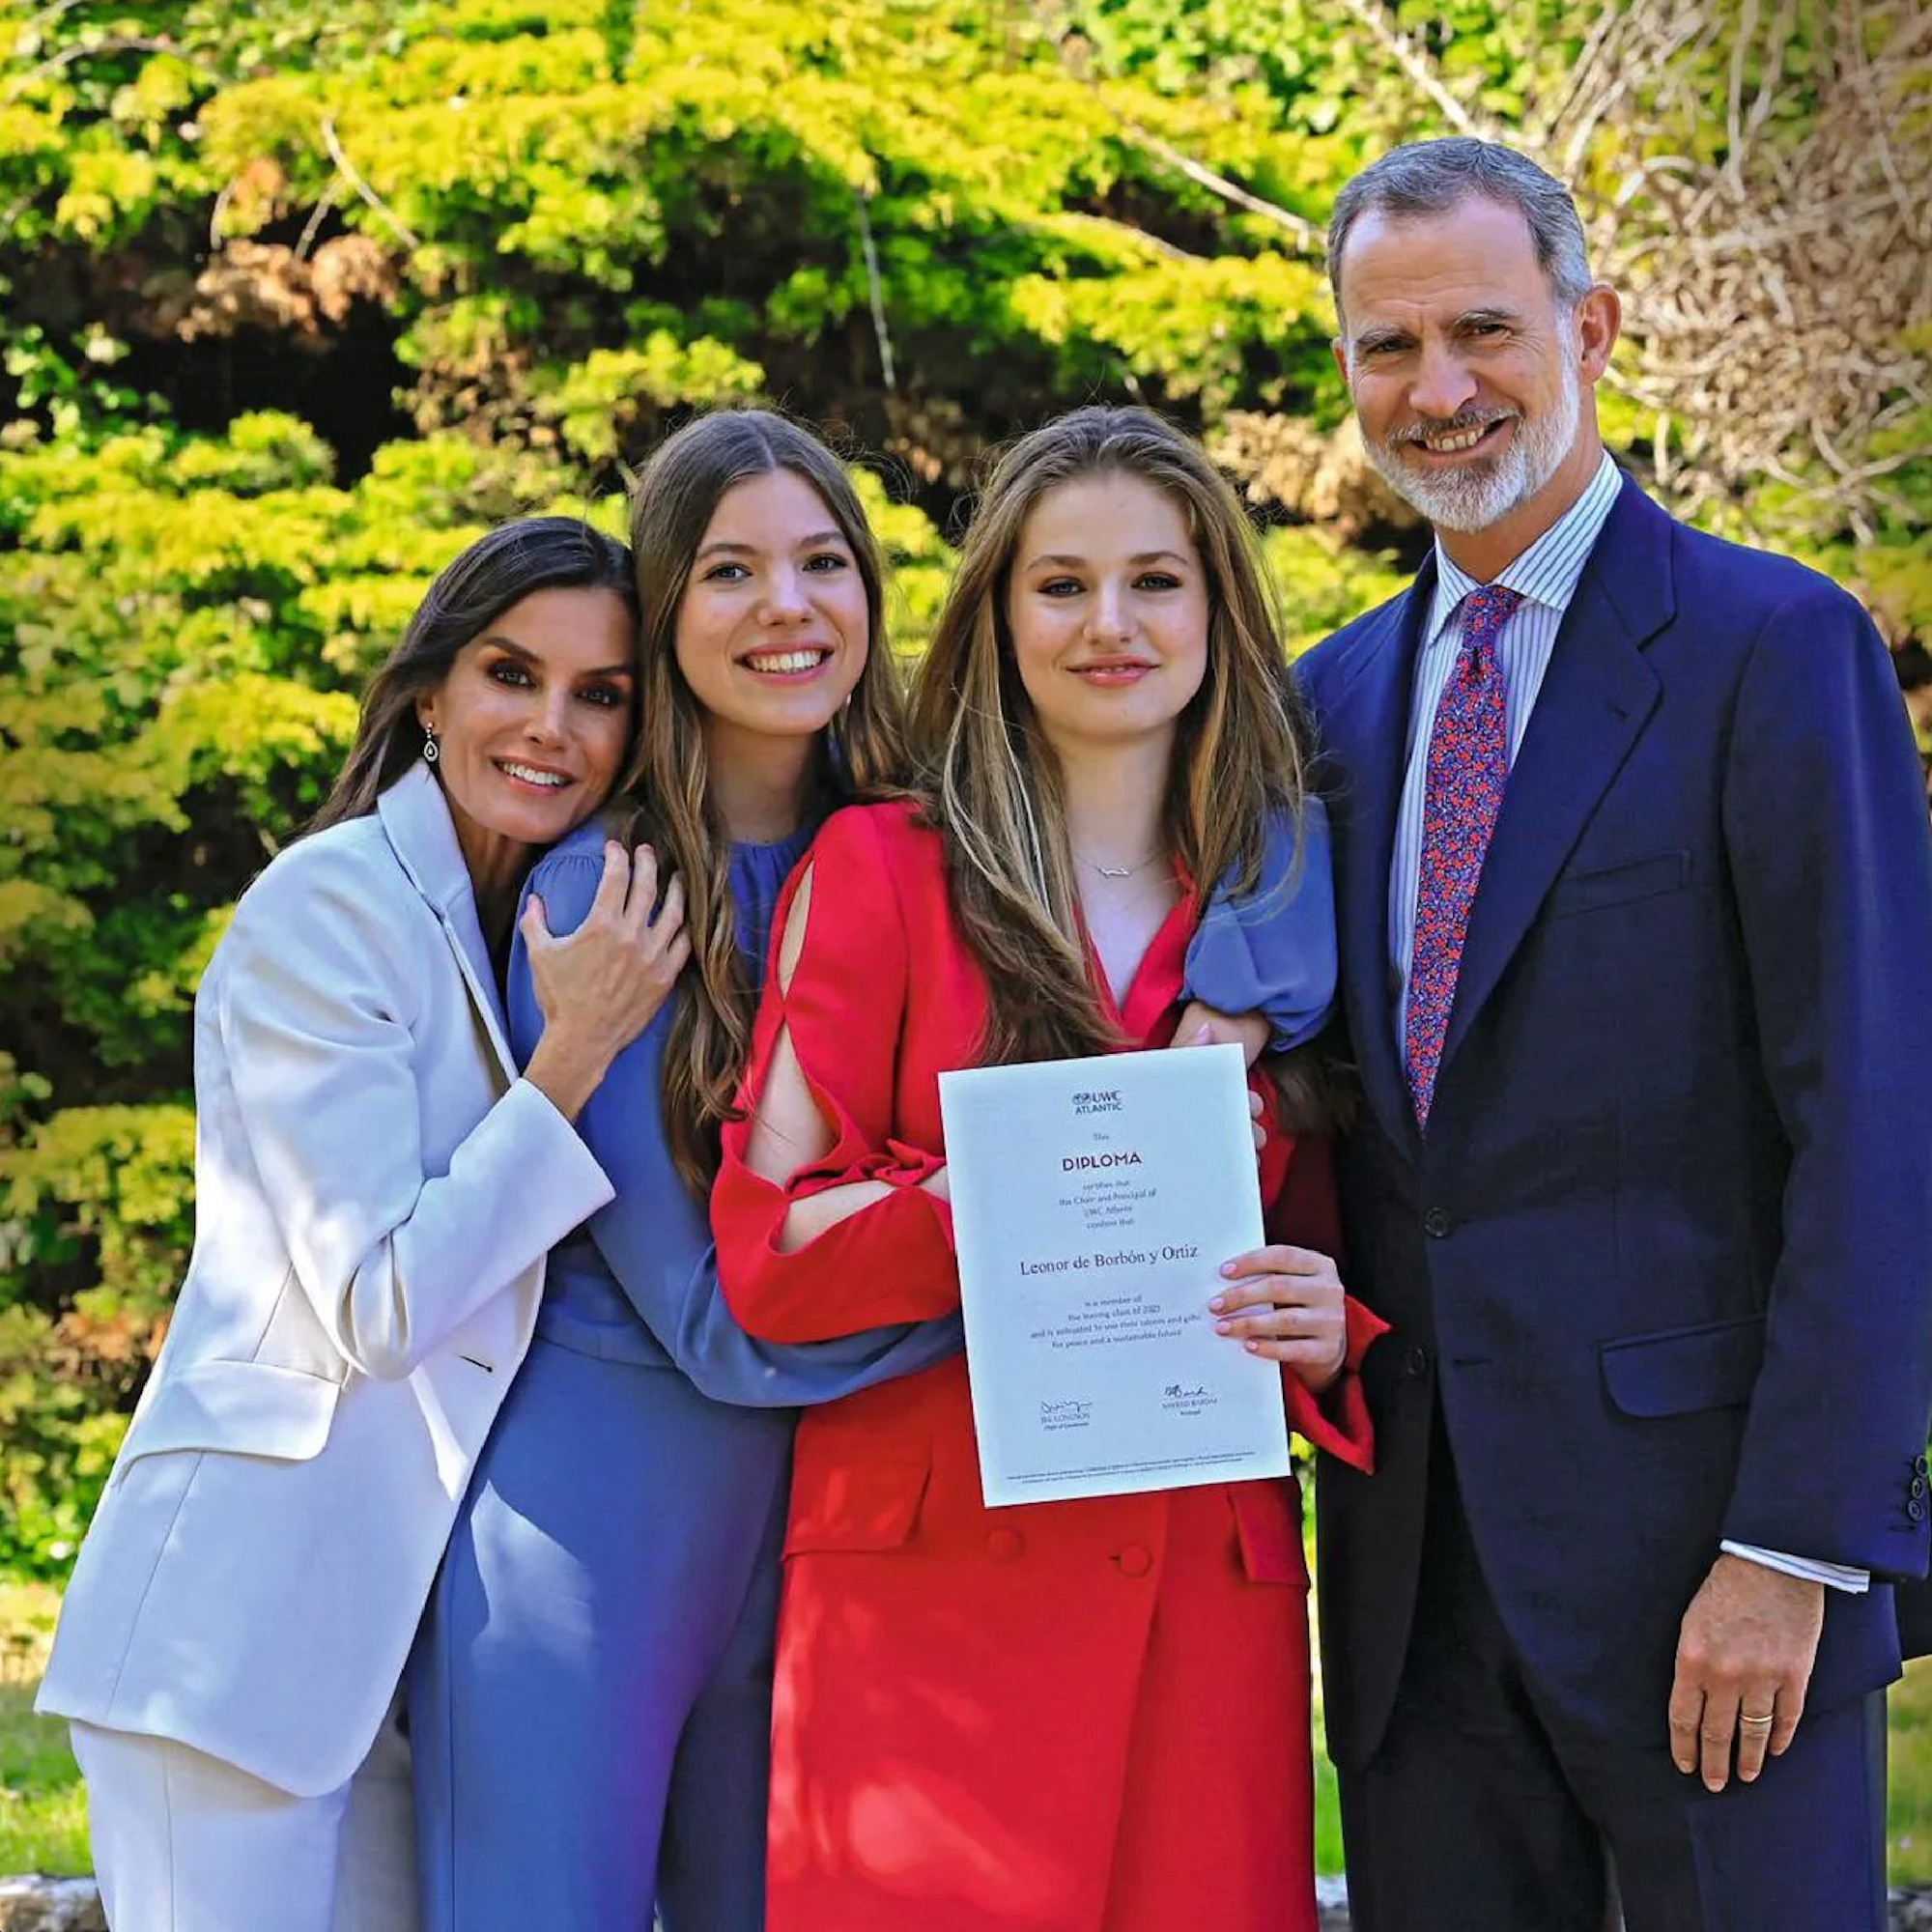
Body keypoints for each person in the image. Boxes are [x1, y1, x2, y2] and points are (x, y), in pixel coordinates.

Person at [407, 409, 1326, 1931]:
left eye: (825, 560)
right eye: (730, 571)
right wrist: (1073, 1238)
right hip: (625, 1499)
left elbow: (1281, 962)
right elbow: (725, 1314)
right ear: (664, 609)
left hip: (832, 1517)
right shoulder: (615, 891)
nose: (787, 605)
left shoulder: (909, 828)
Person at [1296, 136, 1932, 1932]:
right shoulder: (1326, 705)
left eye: (1483, 332)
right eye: (1385, 349)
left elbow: (1877, 1125)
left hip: (1714, 1586)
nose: (1438, 392)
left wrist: (1793, 1547)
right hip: (1419, 1603)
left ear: (1594, 325)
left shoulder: (1773, 648)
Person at [711, 405, 1383, 1932]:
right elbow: (769, 1253)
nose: (1110, 625)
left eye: (1155, 581)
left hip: (1200, 1602)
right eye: (1061, 585)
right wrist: (1021, 1187)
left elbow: (1348, 1266)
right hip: (929, 1599)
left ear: (1220, 610)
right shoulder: (880, 869)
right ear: (997, 618)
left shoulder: (1291, 908)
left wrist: (1328, 1328)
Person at [36, 517, 687, 1932]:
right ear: (431, 691)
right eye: (513, 674)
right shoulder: (324, 910)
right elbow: (378, 1305)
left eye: (602, 694)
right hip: (231, 1649)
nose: (552, 727)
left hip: (391, 1669)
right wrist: (568, 1063)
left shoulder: (534, 918)